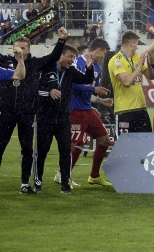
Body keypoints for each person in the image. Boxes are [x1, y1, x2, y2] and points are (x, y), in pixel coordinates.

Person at [0, 27, 68, 194]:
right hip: (6, 112)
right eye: (16, 47)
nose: (19, 50)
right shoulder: (5, 61)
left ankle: (25, 183)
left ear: (29, 49)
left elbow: (53, 57)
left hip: (27, 113)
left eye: (23, 48)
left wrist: (61, 41)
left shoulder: (36, 63)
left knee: (27, 150)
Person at [35, 45, 95, 194]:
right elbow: (35, 90)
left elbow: (86, 79)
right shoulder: (46, 69)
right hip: (45, 118)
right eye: (70, 56)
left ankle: (65, 185)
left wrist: (89, 68)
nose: (72, 60)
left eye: (74, 57)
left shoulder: (71, 71)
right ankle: (37, 182)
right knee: (42, 152)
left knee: (66, 151)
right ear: (61, 55)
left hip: (64, 118)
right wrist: (49, 91)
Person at [67, 38, 113, 188]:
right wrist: (94, 89)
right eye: (103, 54)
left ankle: (94, 176)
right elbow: (72, 85)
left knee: (104, 140)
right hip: (75, 109)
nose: (103, 57)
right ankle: (63, 175)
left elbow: (89, 92)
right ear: (98, 50)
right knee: (76, 143)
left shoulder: (97, 68)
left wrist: (100, 101)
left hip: (87, 109)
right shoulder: (78, 62)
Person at [109, 28, 154, 136]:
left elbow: (151, 76)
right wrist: (139, 66)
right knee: (124, 145)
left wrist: (148, 63)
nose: (137, 47)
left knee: (146, 143)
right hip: (124, 110)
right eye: (136, 44)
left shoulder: (137, 58)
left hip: (141, 109)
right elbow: (126, 82)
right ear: (131, 44)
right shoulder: (116, 60)